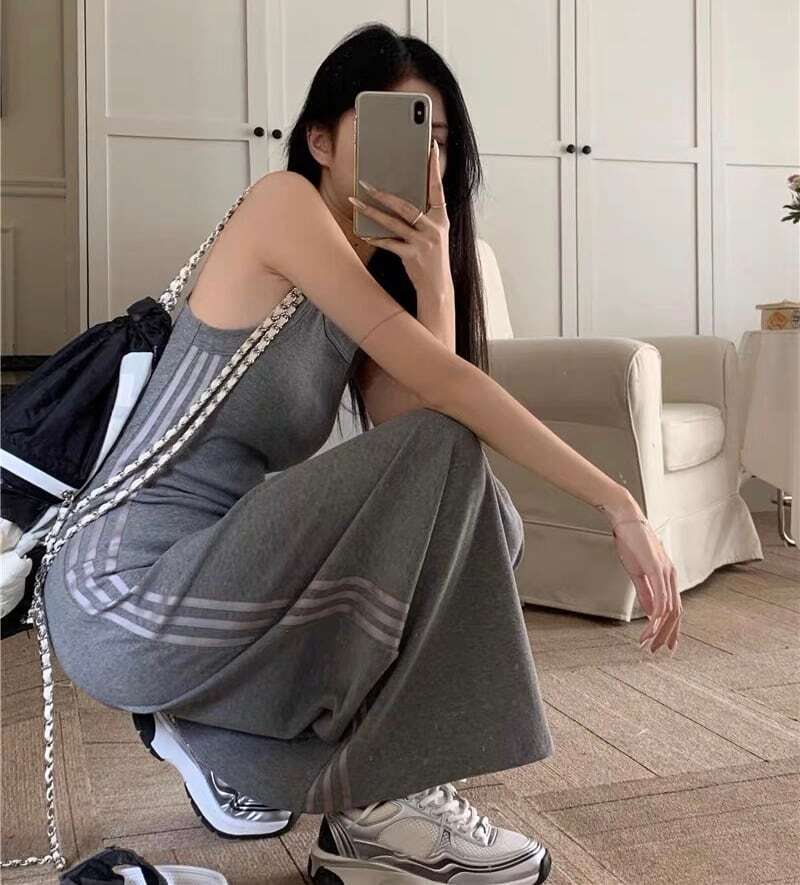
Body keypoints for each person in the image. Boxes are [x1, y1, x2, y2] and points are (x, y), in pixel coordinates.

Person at [43, 23, 682, 885]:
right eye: (397, 125)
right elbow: (447, 400)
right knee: (453, 464)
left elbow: (425, 469)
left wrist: (434, 279)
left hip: (208, 570)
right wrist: (619, 503)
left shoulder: (369, 292)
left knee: (483, 517)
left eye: (438, 138)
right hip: (122, 584)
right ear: (319, 139)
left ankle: (304, 770)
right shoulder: (282, 206)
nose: (422, 155)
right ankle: (373, 801)